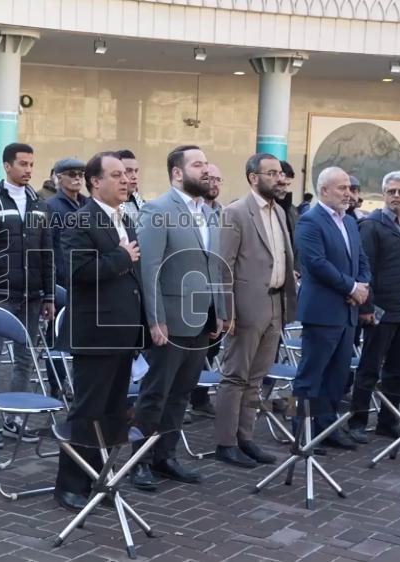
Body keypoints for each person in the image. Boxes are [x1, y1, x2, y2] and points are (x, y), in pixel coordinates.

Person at [53, 151, 146, 511]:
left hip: (122, 331)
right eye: (117, 174)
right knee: (87, 410)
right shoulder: (81, 219)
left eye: (127, 174)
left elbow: (133, 277)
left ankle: (99, 479)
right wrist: (121, 257)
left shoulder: (125, 219)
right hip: (94, 333)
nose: (126, 180)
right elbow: (76, 273)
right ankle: (69, 485)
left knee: (112, 411)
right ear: (95, 182)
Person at [132, 144, 226, 491]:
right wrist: (155, 320)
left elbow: (214, 266)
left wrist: (221, 311)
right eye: (197, 165)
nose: (205, 171)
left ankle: (165, 456)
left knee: (182, 393)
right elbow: (149, 270)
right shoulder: (157, 210)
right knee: (156, 392)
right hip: (169, 320)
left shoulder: (210, 213)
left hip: (201, 319)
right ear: (177, 172)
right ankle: (138, 460)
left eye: (206, 164)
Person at [213, 153, 298, 467]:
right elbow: (224, 266)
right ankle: (225, 443)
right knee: (235, 376)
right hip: (247, 307)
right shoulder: (236, 212)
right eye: (272, 173)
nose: (279, 178)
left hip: (276, 304)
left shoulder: (278, 212)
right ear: (253, 177)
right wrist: (228, 312)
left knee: (257, 377)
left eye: (280, 173)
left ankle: (244, 438)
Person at [0, 142, 55, 447]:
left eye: (32, 164)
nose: (28, 170)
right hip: (0, 295)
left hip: (32, 296)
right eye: (22, 164)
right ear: (7, 166)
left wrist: (48, 296)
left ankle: (15, 419)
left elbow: (47, 253)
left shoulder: (39, 204)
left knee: (25, 358)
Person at [347, 171, 400, 444]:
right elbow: (364, 268)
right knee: (369, 369)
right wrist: (366, 306)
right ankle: (357, 421)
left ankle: (388, 421)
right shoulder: (372, 226)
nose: (397, 197)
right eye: (392, 192)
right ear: (383, 194)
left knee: (396, 370)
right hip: (380, 311)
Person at [292, 166, 370, 450]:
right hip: (323, 312)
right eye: (342, 188)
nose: (348, 194)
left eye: (350, 188)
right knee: (311, 375)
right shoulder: (310, 221)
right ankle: (301, 431)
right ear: (324, 190)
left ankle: (328, 427)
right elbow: (316, 263)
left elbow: (361, 258)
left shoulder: (349, 221)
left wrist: (363, 286)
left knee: (337, 375)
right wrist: (351, 288)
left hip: (347, 312)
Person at [188, 163, 225, 419]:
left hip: (215, 295)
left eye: (218, 179)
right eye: (209, 178)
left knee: (210, 351)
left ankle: (199, 399)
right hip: (190, 296)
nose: (213, 183)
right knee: (189, 355)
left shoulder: (223, 214)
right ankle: (189, 397)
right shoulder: (185, 212)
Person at [46, 157, 88, 290]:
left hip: (87, 274)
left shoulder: (88, 204)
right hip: (62, 279)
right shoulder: (50, 206)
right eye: (72, 174)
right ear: (59, 178)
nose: (77, 178)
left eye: (81, 174)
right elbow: (48, 246)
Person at [117, 149, 146, 224]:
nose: (134, 176)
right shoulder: (106, 207)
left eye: (136, 171)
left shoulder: (144, 206)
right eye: (129, 171)